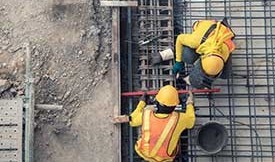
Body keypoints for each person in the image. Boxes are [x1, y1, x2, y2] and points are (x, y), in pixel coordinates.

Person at [115, 85, 195, 162]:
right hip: (165, 159)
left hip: (143, 153)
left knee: (144, 127)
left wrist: (142, 103)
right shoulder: (180, 118)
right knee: (176, 133)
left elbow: (132, 121)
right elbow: (191, 122)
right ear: (175, 106)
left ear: (157, 102)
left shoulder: (146, 114)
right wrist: (190, 103)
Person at [172, 18, 236, 89]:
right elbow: (179, 39)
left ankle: (193, 78)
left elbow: (214, 66)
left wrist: (208, 78)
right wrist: (178, 61)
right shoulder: (196, 41)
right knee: (187, 56)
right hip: (206, 31)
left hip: (222, 37)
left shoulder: (226, 51)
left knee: (226, 74)